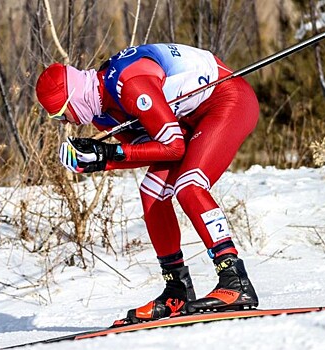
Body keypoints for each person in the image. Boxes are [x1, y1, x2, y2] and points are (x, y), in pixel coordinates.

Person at [34, 43, 259, 325]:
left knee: (189, 185)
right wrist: (100, 160)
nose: (65, 123)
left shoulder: (130, 83)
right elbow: (147, 148)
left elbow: (173, 147)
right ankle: (177, 290)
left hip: (226, 99)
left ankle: (235, 279)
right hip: (188, 119)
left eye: (60, 114)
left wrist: (109, 155)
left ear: (72, 99)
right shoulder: (101, 111)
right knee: (152, 191)